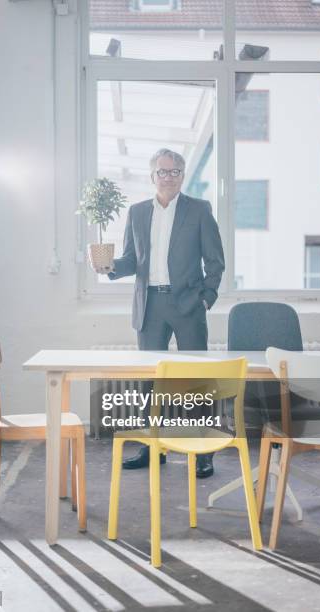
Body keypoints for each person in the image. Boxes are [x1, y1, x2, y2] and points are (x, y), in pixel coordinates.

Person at [92, 148, 225, 478]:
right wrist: (107, 265)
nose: (168, 177)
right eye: (162, 172)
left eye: (175, 171)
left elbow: (215, 260)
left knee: (197, 380)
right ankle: (151, 447)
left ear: (182, 176)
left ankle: (202, 452)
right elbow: (129, 259)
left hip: (188, 303)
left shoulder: (199, 210)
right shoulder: (137, 212)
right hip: (149, 304)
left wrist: (207, 298)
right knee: (149, 381)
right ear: (152, 176)